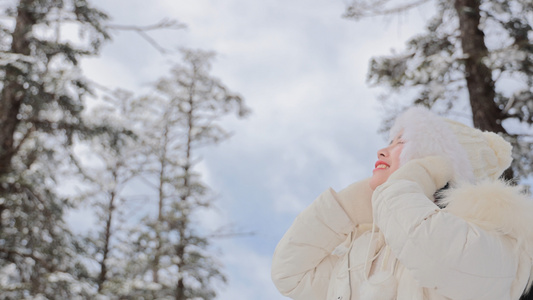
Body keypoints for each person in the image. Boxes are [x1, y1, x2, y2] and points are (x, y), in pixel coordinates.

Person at [271, 106, 533, 300]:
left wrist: (407, 183)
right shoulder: (364, 249)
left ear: (434, 161)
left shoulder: (493, 235)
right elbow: (289, 275)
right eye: (389, 142)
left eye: (402, 143)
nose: (382, 151)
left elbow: (441, 259)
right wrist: (349, 205)